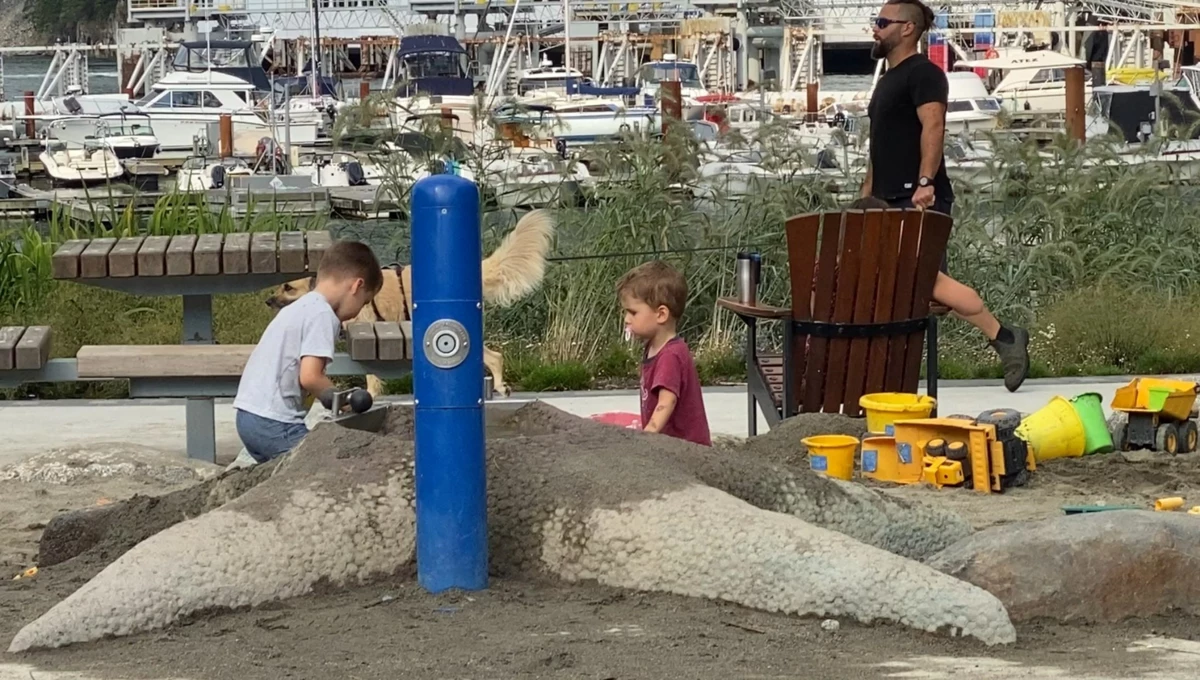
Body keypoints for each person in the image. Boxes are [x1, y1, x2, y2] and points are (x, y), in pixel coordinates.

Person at [862, 0, 1030, 392]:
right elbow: (878, 147)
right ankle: (1002, 336)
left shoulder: (924, 73)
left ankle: (1003, 337)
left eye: (882, 21)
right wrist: (864, 198)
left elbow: (934, 125)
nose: (875, 28)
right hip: (884, 202)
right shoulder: (886, 80)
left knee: (925, 283)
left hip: (916, 198)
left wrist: (925, 182)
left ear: (907, 28)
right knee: (908, 285)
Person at [233, 240, 384, 462]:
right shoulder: (323, 315)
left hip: (248, 416)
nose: (357, 312)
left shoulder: (301, 307)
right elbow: (310, 377)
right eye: (364, 302)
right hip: (275, 422)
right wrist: (343, 400)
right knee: (325, 466)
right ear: (356, 286)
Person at [617, 260, 711, 446]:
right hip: (669, 445)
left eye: (633, 313)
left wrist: (647, 437)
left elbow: (666, 402)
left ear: (661, 314)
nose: (626, 319)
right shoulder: (653, 347)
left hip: (687, 449)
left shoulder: (670, 356)